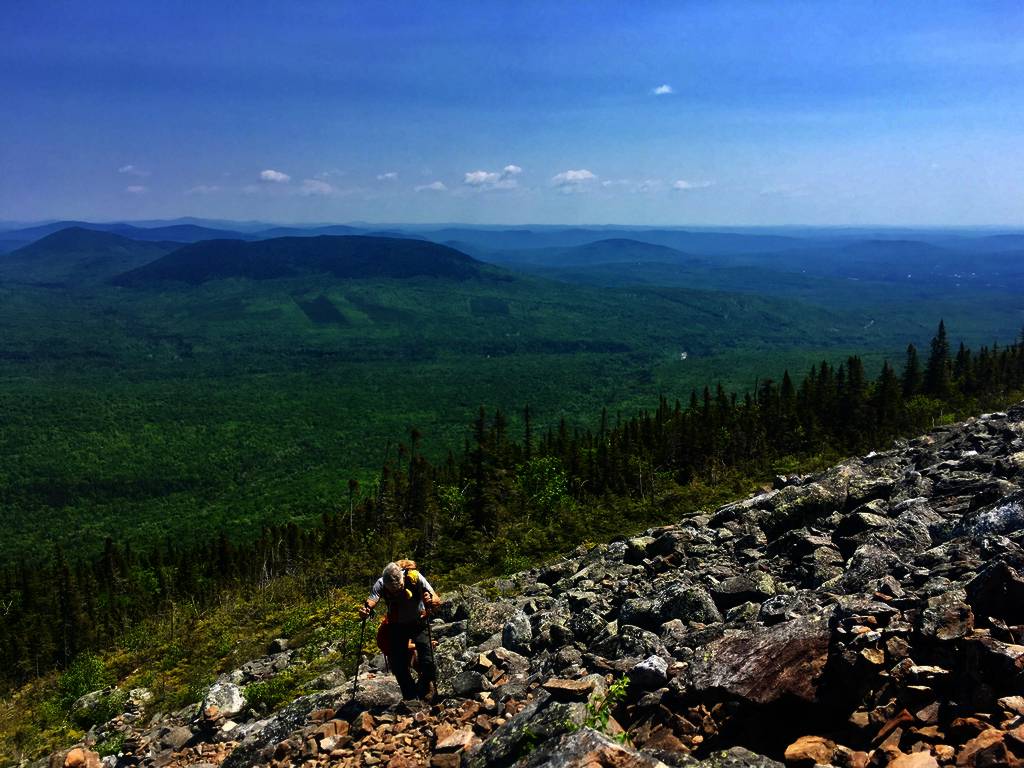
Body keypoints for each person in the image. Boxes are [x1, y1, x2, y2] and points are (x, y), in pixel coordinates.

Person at [359, 560, 439, 701]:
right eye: (393, 591)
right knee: (398, 665)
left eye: (399, 588)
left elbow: (437, 599)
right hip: (397, 626)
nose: (396, 592)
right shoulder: (381, 584)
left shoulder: (415, 578)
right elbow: (371, 600)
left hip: (418, 622)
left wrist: (431, 600)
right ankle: (410, 698)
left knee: (426, 658)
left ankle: (426, 687)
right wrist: (366, 610)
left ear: (402, 578)